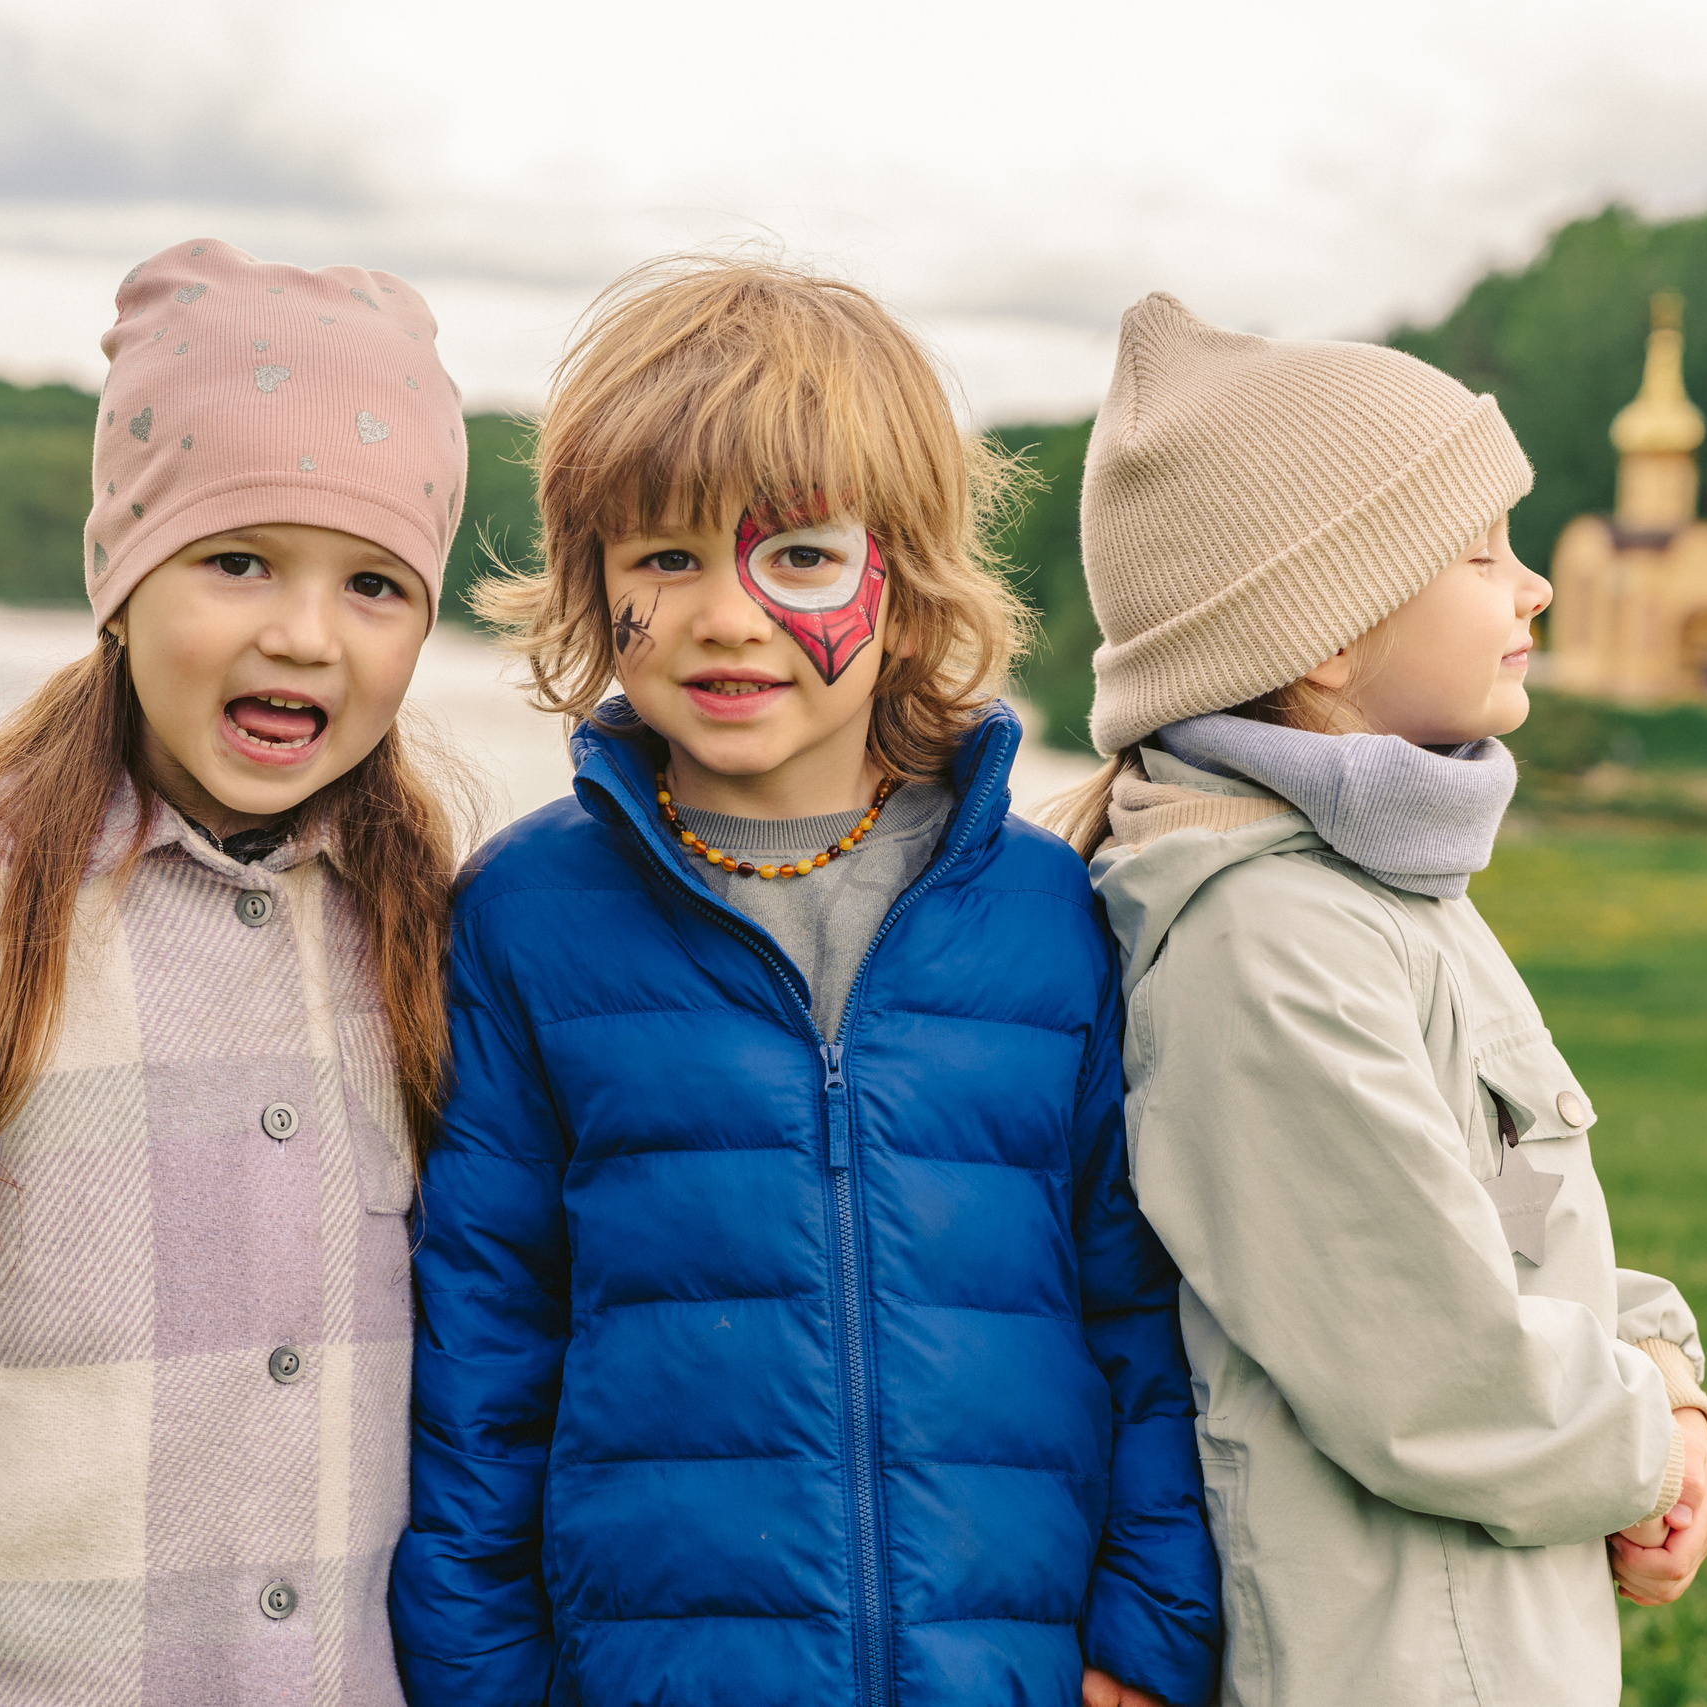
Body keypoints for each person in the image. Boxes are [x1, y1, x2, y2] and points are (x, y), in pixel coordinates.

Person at [388, 258, 1221, 1707]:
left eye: (799, 557)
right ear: (592, 583)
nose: (726, 616)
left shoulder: (1047, 915)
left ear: (902, 579)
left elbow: (1138, 1310)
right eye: (664, 558)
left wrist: (1150, 1635)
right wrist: (478, 1676)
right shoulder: (524, 921)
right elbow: (483, 1346)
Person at [0, 238, 478, 1707]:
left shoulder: (429, 933)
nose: (302, 634)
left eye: (375, 584)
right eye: (237, 559)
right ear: (122, 583)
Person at [1048, 294, 1707, 1706]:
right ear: (1323, 639)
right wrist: (1646, 1437)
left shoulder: (1387, 891)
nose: (1533, 586)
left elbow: (1503, 1228)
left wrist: (1665, 1365)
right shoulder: (1266, 939)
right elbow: (1434, 1374)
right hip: (1397, 1659)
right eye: (1480, 553)